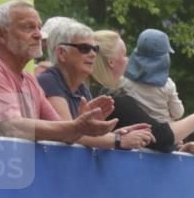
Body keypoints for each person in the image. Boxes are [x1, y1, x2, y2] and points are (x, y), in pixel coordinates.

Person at [0, 0, 116, 142]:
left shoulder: (30, 80)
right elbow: (12, 128)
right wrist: (79, 127)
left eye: (39, 27)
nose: (38, 35)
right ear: (1, 35)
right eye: (28, 27)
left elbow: (61, 132)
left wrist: (83, 125)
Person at [37, 19, 155, 151]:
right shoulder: (48, 81)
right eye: (85, 48)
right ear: (61, 53)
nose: (93, 54)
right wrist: (118, 140)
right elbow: (68, 132)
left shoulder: (81, 88)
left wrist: (117, 134)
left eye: (95, 49)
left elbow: (83, 133)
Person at [90, 31, 194, 153]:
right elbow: (159, 137)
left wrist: (177, 149)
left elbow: (146, 140)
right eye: (124, 54)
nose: (128, 60)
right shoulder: (114, 96)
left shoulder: (108, 91)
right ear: (111, 62)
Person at [120, 29, 186, 125]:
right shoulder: (167, 85)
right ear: (164, 59)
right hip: (163, 131)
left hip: (133, 128)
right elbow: (178, 113)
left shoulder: (124, 81)